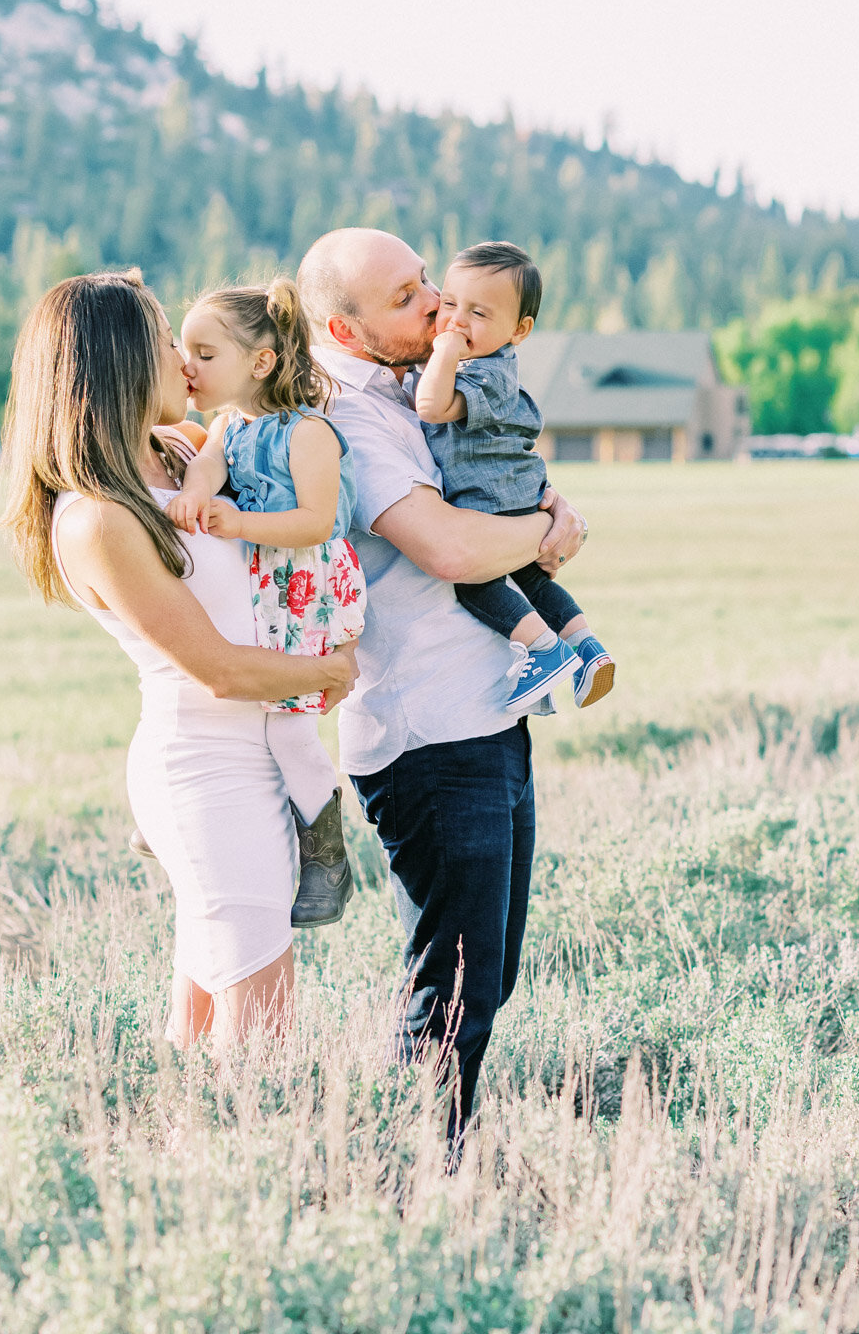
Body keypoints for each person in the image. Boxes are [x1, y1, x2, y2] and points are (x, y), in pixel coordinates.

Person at [0, 270, 357, 1047]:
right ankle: (240, 1160)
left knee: (199, 1025)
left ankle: (174, 1161)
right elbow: (221, 669)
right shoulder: (97, 519)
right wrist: (333, 672)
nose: (184, 360)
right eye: (167, 340)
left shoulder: (182, 450)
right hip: (204, 773)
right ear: (121, 360)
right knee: (259, 1028)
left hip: (254, 757)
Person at [296, 227, 588, 1138]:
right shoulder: (350, 417)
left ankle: (430, 1163)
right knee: (455, 990)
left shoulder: (414, 386)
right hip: (428, 736)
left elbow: (482, 489)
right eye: (404, 297)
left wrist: (541, 501)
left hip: (484, 717)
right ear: (343, 333)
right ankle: (415, 1177)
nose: (435, 302)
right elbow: (450, 547)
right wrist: (543, 538)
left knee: (485, 976)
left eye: (426, 279)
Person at [169, 278, 366, 927]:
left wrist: (238, 524)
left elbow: (314, 523)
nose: (186, 365)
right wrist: (197, 495)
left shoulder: (307, 433)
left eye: (205, 352)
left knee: (287, 728)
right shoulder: (227, 426)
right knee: (231, 708)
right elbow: (205, 468)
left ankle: (327, 858)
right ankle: (188, 814)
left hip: (305, 592)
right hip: (265, 593)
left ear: (261, 361)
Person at [409, 239, 615, 710]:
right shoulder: (477, 362)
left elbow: (431, 405)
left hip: (489, 500)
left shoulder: (484, 373)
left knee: (475, 583)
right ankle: (587, 649)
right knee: (533, 581)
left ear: (519, 330)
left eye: (478, 314)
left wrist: (442, 349)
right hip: (516, 492)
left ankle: (543, 650)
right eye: (450, 304)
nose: (458, 321)